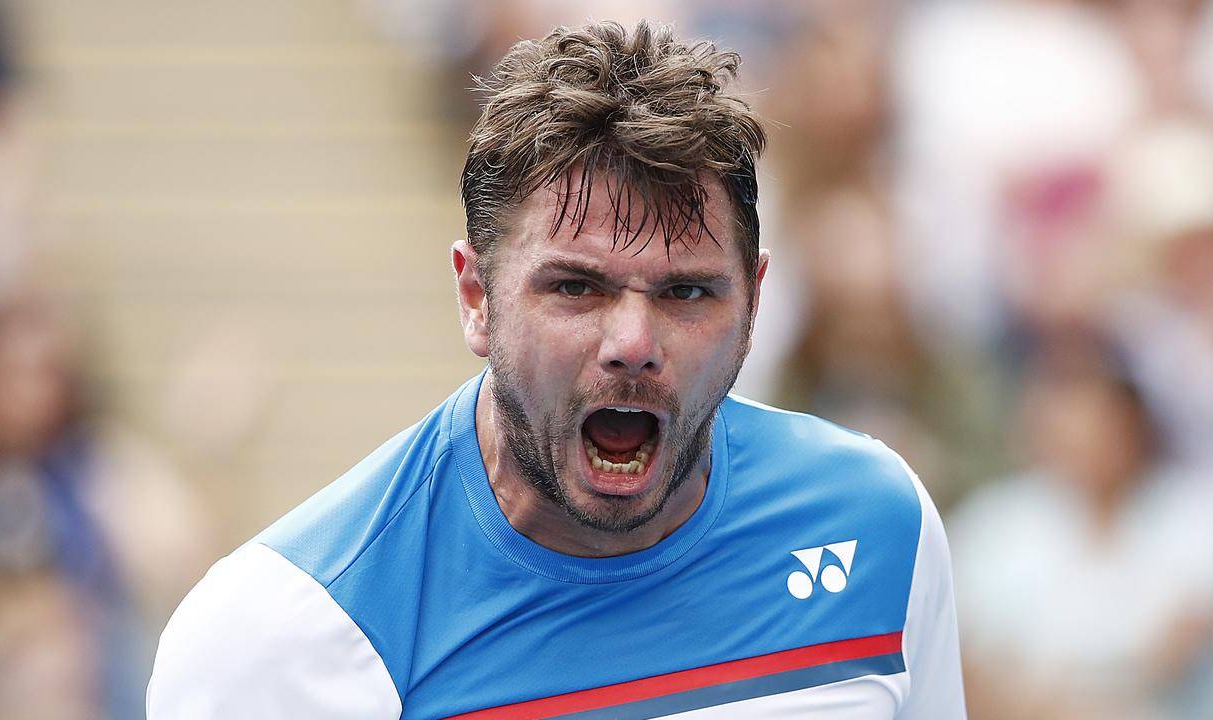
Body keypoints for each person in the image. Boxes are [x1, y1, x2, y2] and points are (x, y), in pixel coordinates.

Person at [146, 19, 964, 719]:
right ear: (476, 296)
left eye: (687, 291)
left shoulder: (876, 521)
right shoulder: (283, 633)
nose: (633, 341)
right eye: (575, 286)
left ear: (753, 304)